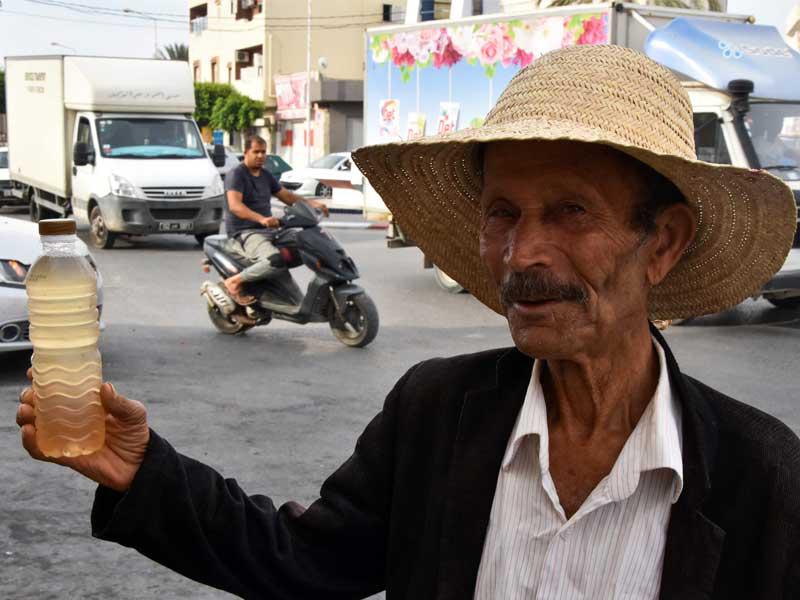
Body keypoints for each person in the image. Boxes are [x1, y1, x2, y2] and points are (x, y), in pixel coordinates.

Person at [16, 46, 800, 599]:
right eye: (503, 214)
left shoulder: (758, 473)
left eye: (570, 211)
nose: (523, 253)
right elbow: (305, 560)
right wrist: (142, 470)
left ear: (661, 243)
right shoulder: (437, 412)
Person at [221, 135, 328, 305]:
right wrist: (261, 219)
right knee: (275, 260)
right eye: (256, 152)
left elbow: (287, 196)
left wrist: (312, 204)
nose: (260, 156)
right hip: (246, 231)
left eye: (263, 152)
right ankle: (234, 282)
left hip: (271, 230)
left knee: (309, 244)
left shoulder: (266, 175)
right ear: (246, 152)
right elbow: (235, 206)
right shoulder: (236, 175)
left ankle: (273, 284)